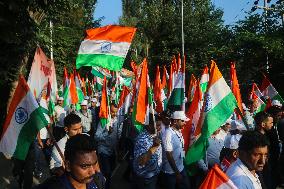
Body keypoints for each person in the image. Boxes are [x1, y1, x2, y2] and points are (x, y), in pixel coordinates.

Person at [36, 134, 105, 189]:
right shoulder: (53, 186)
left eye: (94, 164)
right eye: (85, 166)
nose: (93, 171)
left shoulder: (97, 180)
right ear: (68, 165)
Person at [95, 104, 121, 189]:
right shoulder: (103, 121)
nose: (114, 114)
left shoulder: (117, 120)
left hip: (112, 150)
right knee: (107, 172)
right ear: (109, 111)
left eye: (116, 112)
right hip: (103, 150)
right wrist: (107, 133)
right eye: (113, 112)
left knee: (112, 169)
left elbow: (116, 135)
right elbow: (96, 136)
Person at [132, 114, 162, 189]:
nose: (160, 128)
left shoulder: (154, 134)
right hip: (146, 179)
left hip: (153, 175)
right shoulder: (142, 139)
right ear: (149, 126)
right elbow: (141, 161)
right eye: (158, 125)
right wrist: (154, 147)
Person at [162, 111, 190, 189]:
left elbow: (181, 149)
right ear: (175, 121)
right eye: (182, 121)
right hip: (171, 172)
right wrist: (177, 173)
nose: (185, 123)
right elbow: (169, 154)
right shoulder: (168, 134)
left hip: (181, 168)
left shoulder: (179, 131)